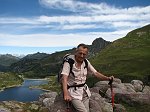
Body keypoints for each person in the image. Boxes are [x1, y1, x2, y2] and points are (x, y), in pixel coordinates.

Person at [61, 43, 114, 112]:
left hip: (84, 92)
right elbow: (64, 78)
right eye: (80, 53)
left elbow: (96, 73)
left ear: (86, 54)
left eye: (84, 54)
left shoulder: (85, 62)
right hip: (73, 93)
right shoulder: (69, 63)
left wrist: (107, 78)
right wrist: (66, 94)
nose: (82, 56)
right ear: (76, 52)